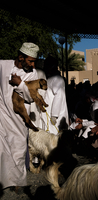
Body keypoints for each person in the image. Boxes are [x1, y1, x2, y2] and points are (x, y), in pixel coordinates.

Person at [0, 42, 39, 190]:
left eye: (34, 61)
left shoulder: (32, 74)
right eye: (30, 61)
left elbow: (32, 97)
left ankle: (16, 182)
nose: (33, 65)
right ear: (20, 57)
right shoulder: (3, 65)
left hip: (19, 119)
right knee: (2, 147)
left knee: (18, 148)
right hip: (2, 115)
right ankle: (4, 180)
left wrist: (20, 84)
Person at [41, 55, 69, 135]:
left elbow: (59, 96)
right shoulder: (49, 79)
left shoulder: (58, 79)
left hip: (55, 117)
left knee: (55, 137)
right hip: (48, 114)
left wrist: (54, 115)